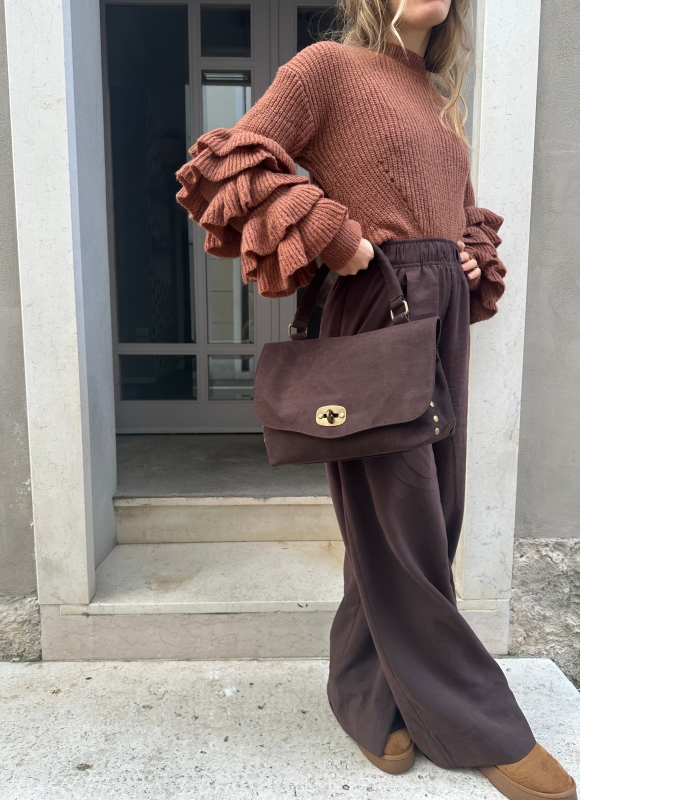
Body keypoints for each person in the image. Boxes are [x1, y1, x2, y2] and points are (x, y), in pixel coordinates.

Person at [176, 1, 578, 798]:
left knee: (433, 512)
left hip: (440, 317)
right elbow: (227, 162)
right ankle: (477, 721)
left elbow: (459, 210)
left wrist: (467, 254)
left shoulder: (434, 94)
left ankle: (363, 690)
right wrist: (337, 236)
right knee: (406, 519)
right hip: (377, 305)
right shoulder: (329, 69)